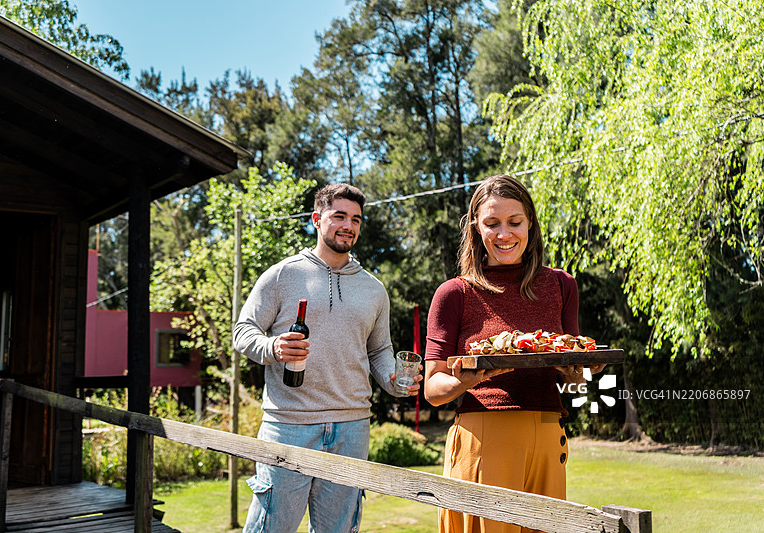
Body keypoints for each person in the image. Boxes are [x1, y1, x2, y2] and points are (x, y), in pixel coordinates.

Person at [233, 183, 421, 533]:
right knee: (270, 528)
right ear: (317, 219)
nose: (348, 225)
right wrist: (273, 348)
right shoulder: (282, 275)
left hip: (352, 428)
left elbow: (379, 350)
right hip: (288, 425)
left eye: (356, 219)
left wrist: (393, 380)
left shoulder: (374, 289)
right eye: (339, 216)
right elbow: (243, 331)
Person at [423, 174, 604, 533]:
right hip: (484, 436)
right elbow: (432, 389)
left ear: (530, 223)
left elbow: (573, 376)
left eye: (514, 222)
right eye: (492, 223)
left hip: (549, 434)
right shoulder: (454, 293)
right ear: (476, 227)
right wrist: (465, 380)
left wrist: (579, 374)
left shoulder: (562, 285)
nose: (504, 234)